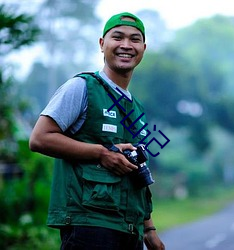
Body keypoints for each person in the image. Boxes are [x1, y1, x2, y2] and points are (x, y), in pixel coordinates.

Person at [29, 12, 165, 250]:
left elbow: (137, 169)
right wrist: (102, 153)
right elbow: (40, 138)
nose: (126, 45)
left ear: (143, 48)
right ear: (102, 44)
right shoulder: (81, 87)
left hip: (130, 228)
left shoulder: (137, 108)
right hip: (89, 225)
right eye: (117, 37)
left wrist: (149, 228)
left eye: (134, 39)